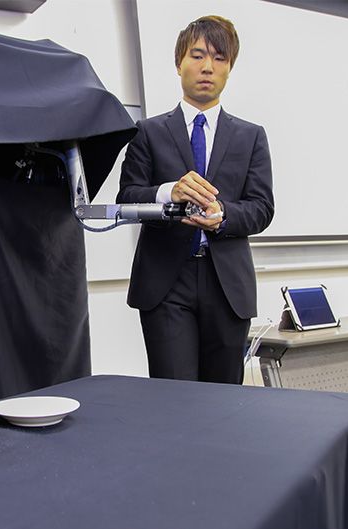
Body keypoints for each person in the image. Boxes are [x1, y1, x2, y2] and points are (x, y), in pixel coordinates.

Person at [116, 15, 274, 384]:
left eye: (219, 58)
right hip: (165, 282)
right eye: (198, 55)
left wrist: (223, 215)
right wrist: (167, 192)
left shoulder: (251, 136)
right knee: (175, 397)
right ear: (179, 63)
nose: (207, 67)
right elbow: (127, 196)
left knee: (224, 398)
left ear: (230, 68)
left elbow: (262, 208)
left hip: (227, 283)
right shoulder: (147, 132)